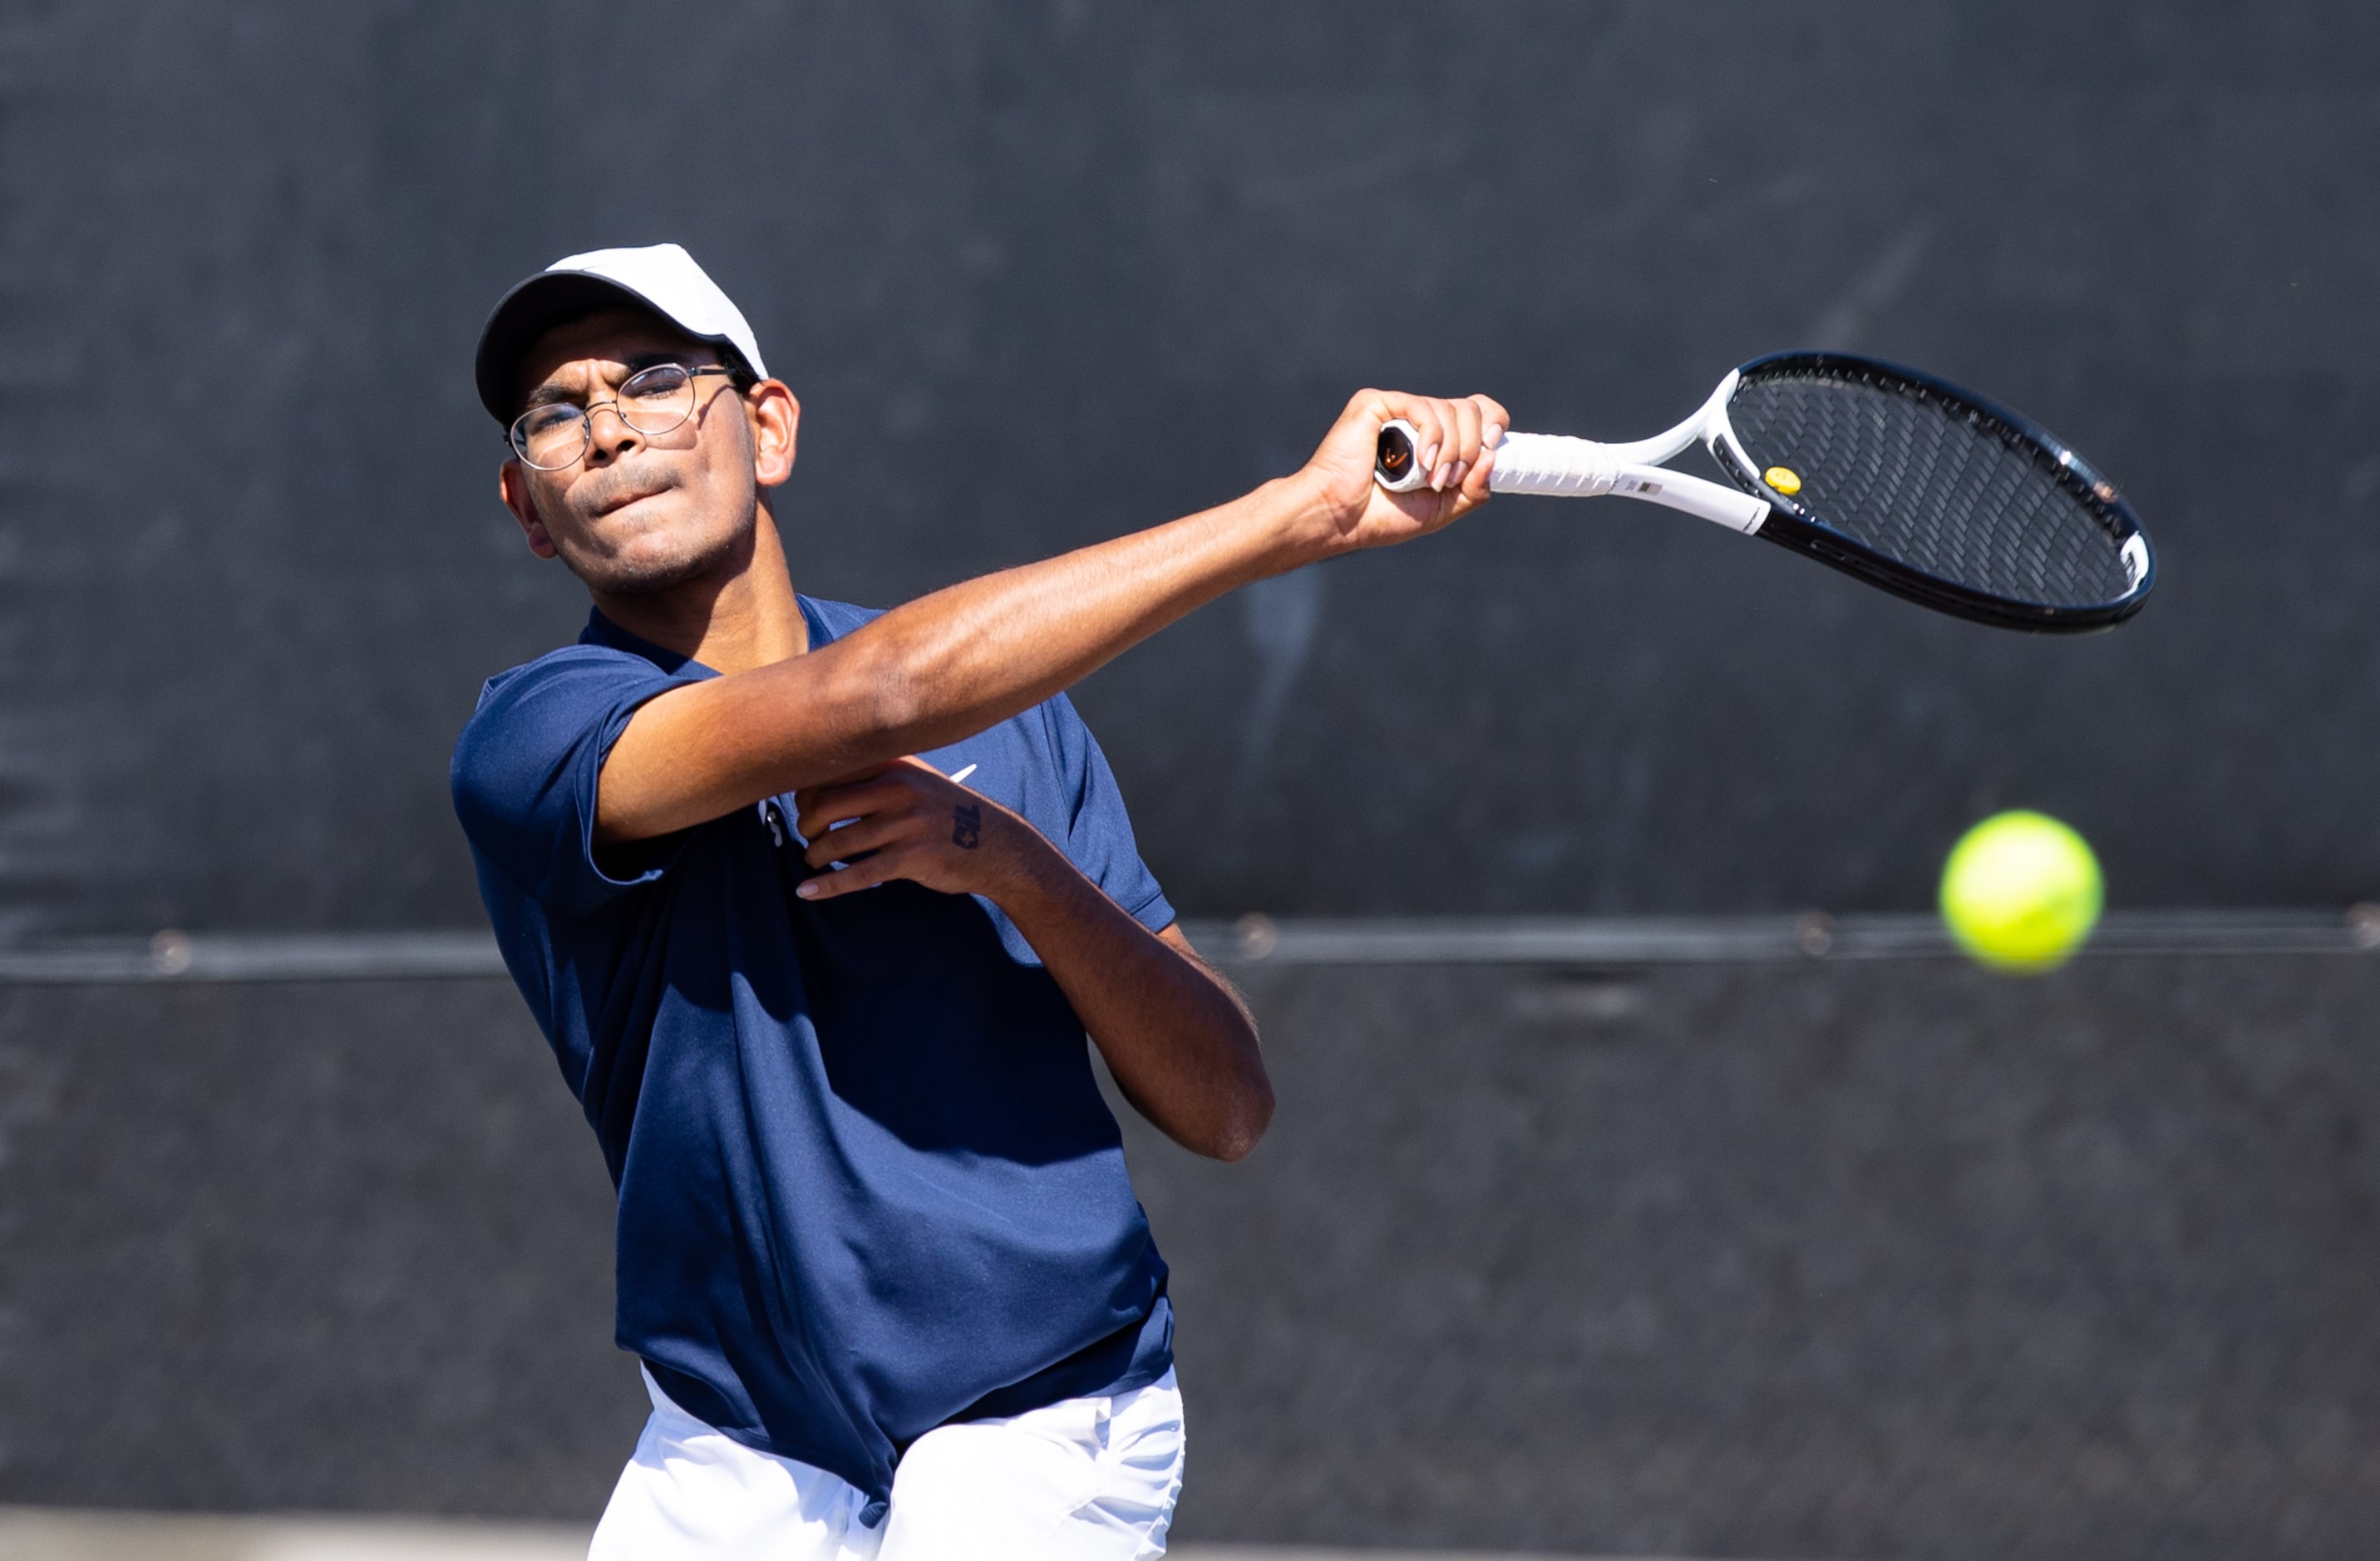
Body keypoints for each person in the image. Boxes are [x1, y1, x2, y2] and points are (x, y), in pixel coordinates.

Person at [450, 243, 1505, 1559]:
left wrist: (1008, 861)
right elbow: (875, 700)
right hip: (738, 1441)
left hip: (1044, 1419)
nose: (609, 427)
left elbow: (1226, 1105)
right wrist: (1294, 515)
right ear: (528, 506)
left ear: (766, 428)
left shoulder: (1011, 718)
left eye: (658, 379)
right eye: (559, 409)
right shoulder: (535, 741)